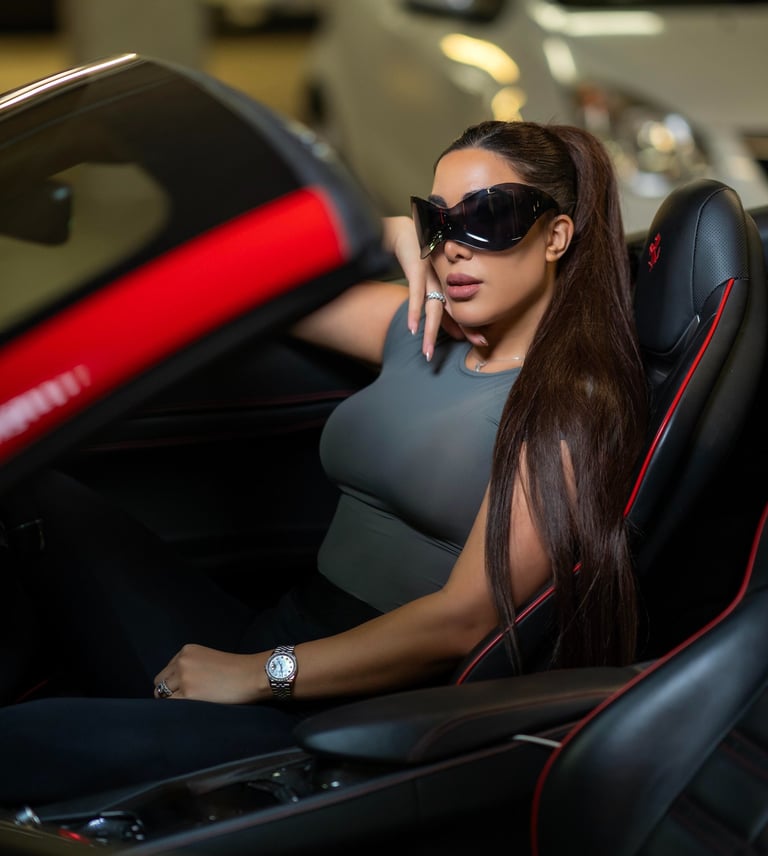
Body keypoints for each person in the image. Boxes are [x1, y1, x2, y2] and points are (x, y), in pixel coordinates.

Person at [0, 120, 648, 806]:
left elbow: (463, 619)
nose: (455, 246)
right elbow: (242, 274)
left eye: (489, 216)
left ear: (555, 236)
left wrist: (260, 675)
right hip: (278, 630)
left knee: (18, 743)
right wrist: (389, 231)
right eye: (439, 220)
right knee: (30, 492)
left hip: (331, 714)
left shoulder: (569, 407)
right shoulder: (422, 328)